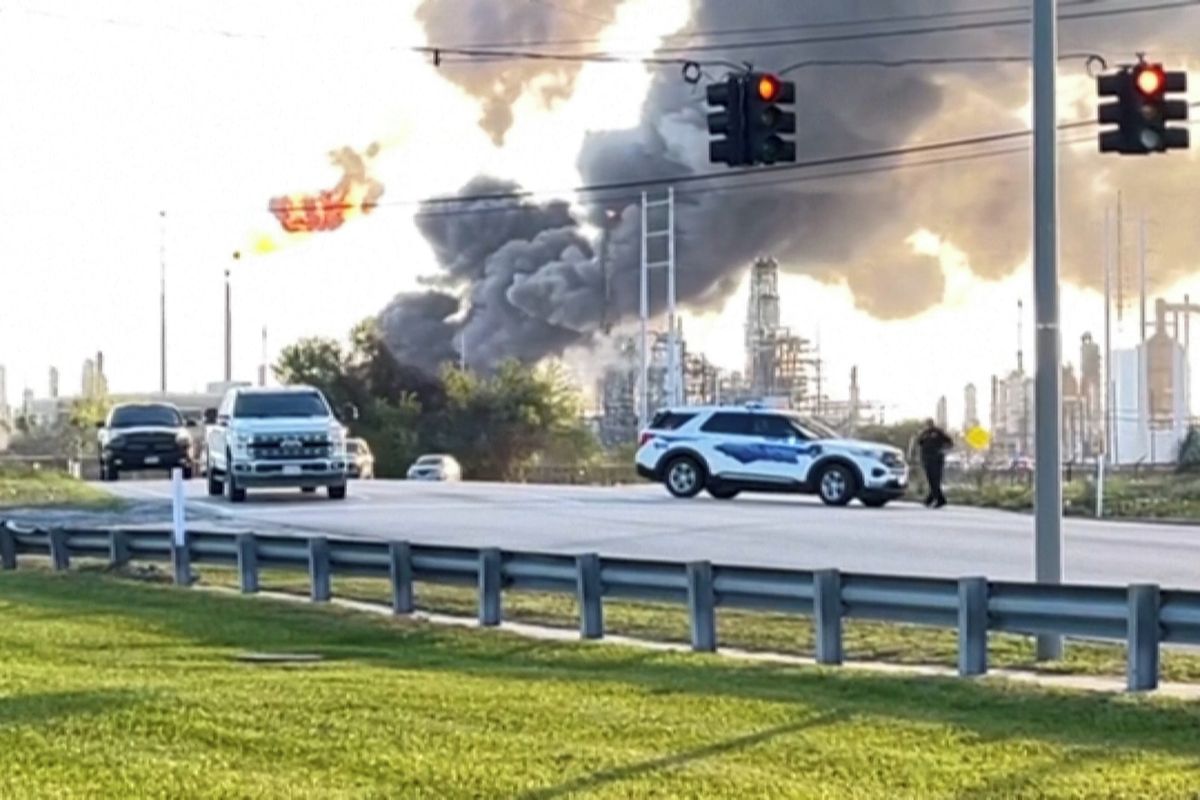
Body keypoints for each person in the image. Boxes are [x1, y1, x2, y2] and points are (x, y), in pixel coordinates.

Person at [917, 419, 953, 508]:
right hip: (927, 459)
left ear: (932, 424)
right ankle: (930, 499)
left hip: (936, 459)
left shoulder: (938, 432)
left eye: (929, 424)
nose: (928, 425)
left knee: (935, 480)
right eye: (926, 424)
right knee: (931, 480)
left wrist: (942, 450)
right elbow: (919, 442)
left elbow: (949, 442)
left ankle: (940, 500)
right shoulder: (924, 433)